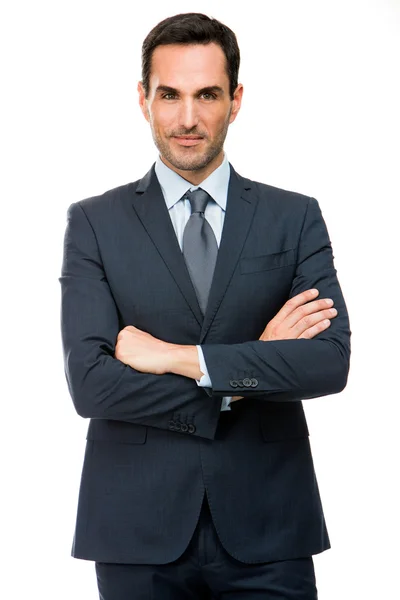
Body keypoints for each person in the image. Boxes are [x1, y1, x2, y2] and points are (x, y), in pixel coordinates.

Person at [59, 12, 351, 600]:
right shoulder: (94, 223)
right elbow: (92, 386)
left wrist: (176, 357)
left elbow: (328, 364)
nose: (187, 119)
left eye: (207, 95)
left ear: (235, 100)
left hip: (270, 527)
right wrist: (254, 366)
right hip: (135, 531)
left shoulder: (293, 218)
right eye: (169, 95)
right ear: (143, 99)